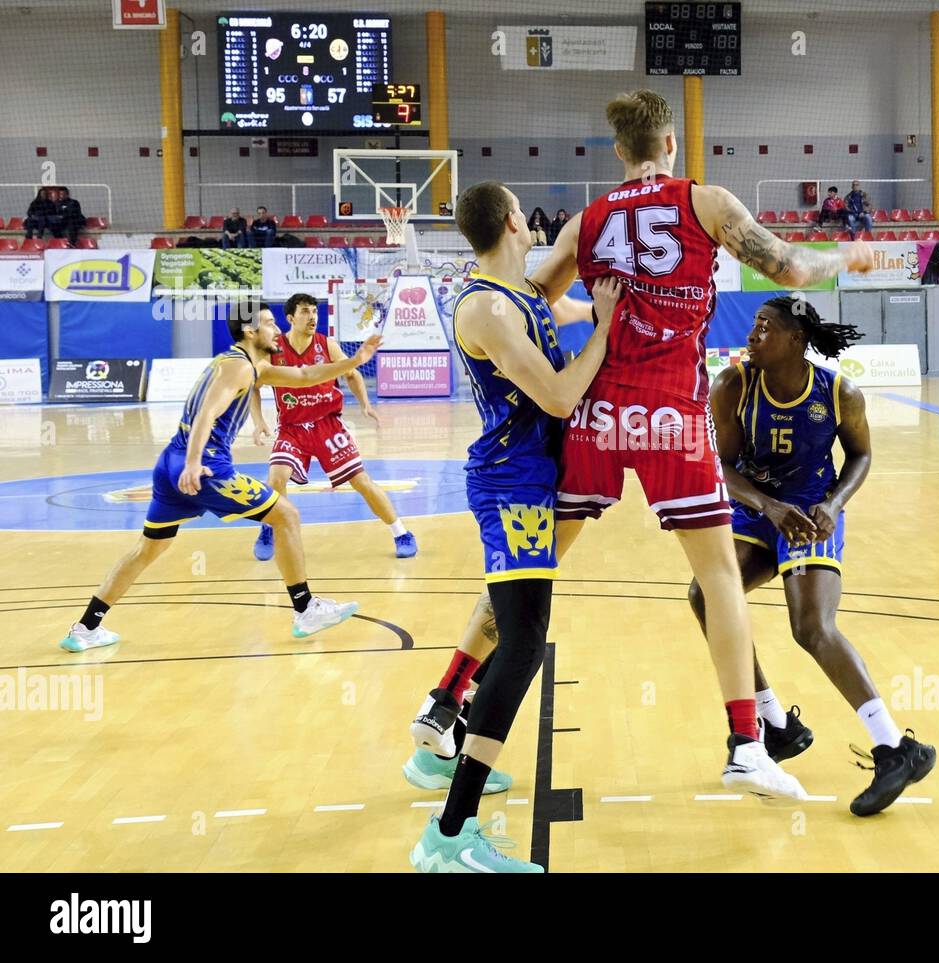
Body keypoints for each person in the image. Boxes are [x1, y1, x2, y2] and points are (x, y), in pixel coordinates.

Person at [413, 89, 877, 808]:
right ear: (669, 142)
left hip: (596, 414)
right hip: (670, 414)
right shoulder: (707, 200)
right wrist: (842, 257)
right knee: (720, 576)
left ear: (620, 151)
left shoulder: (586, 221)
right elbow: (785, 267)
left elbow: (529, 294)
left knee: (526, 572)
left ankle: (446, 697)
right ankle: (747, 746)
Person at [408, 182, 616, 874]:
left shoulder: (523, 292)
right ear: (510, 222)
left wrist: (619, 305)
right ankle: (448, 833)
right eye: (525, 213)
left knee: (512, 628)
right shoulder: (488, 306)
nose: (534, 222)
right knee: (525, 643)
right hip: (512, 482)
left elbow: (577, 305)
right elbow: (558, 394)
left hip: (535, 478)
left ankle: (441, 723)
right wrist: (608, 333)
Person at [689, 297, 935, 816]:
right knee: (706, 594)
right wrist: (767, 506)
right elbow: (720, 464)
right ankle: (776, 722)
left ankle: (896, 747)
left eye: (765, 328)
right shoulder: (732, 384)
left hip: (810, 513)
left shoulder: (839, 391)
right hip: (760, 510)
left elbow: (862, 454)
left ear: (797, 340)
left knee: (811, 627)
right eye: (753, 327)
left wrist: (834, 503)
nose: (753, 336)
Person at [58, 304, 380, 652]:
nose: (276, 330)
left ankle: (86, 627)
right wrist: (195, 464)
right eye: (269, 323)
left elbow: (304, 376)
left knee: (147, 550)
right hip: (205, 465)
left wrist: (354, 360)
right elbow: (206, 413)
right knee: (286, 515)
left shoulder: (248, 365)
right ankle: (305, 608)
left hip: (170, 461)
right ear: (250, 332)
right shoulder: (240, 368)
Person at [248, 293, 417, 561]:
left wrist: (365, 404)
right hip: (292, 427)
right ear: (290, 318)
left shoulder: (327, 345)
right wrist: (258, 422)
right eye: (305, 311)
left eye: (314, 311)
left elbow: (352, 373)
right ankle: (268, 527)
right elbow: (253, 387)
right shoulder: (274, 348)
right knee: (276, 477)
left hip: (328, 426)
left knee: (361, 481)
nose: (312, 316)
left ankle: (401, 532)